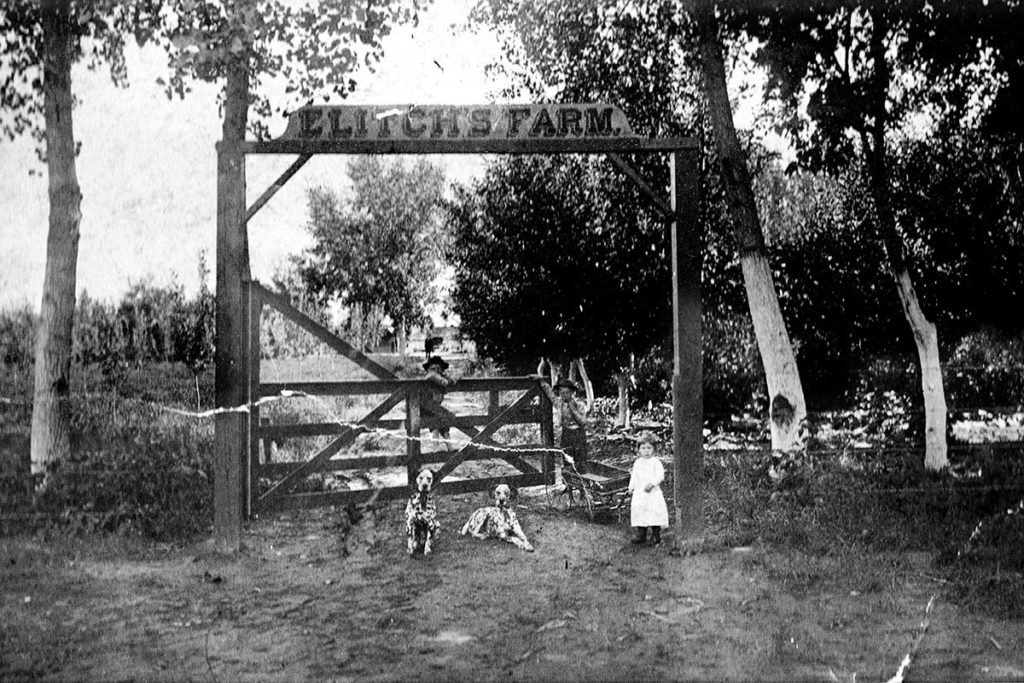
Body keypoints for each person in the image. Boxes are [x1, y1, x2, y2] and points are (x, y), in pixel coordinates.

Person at [539, 370, 589, 472]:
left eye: (566, 393)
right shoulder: (559, 403)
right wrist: (540, 380)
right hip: (566, 433)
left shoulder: (579, 404)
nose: (564, 395)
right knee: (567, 458)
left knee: (580, 460)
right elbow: (549, 393)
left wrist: (573, 409)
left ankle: (582, 485)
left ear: (572, 392)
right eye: (562, 393)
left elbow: (583, 421)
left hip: (578, 434)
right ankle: (568, 485)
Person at [628, 431, 669, 545]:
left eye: (649, 448)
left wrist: (652, 483)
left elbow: (660, 475)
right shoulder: (638, 463)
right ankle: (641, 534)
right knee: (640, 512)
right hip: (640, 494)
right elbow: (634, 476)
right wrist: (631, 487)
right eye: (643, 448)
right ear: (639, 450)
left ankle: (656, 536)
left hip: (653, 494)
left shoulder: (656, 463)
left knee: (654, 512)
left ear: (654, 449)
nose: (646, 451)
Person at [422, 355, 456, 451]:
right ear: (429, 369)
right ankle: (435, 447)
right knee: (435, 424)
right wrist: (442, 380)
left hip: (435, 407)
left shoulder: (441, 378)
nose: (435, 370)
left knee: (443, 422)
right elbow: (432, 375)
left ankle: (449, 446)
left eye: (438, 368)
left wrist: (450, 380)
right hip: (423, 407)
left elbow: (452, 379)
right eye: (433, 368)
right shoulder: (430, 376)